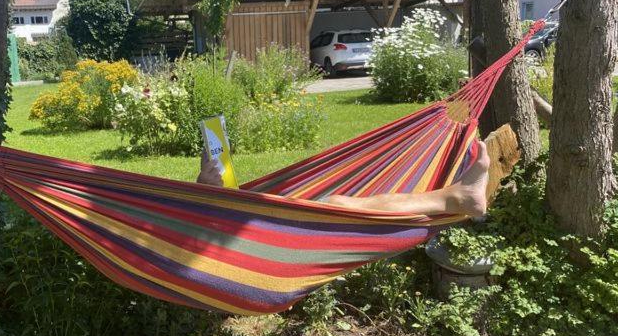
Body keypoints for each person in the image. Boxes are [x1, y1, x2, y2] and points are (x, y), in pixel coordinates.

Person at [197, 140, 491, 217]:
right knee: (337, 207)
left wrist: (206, 192)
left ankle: (456, 196)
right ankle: (454, 197)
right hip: (246, 239)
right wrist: (204, 194)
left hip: (243, 223)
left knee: (336, 203)